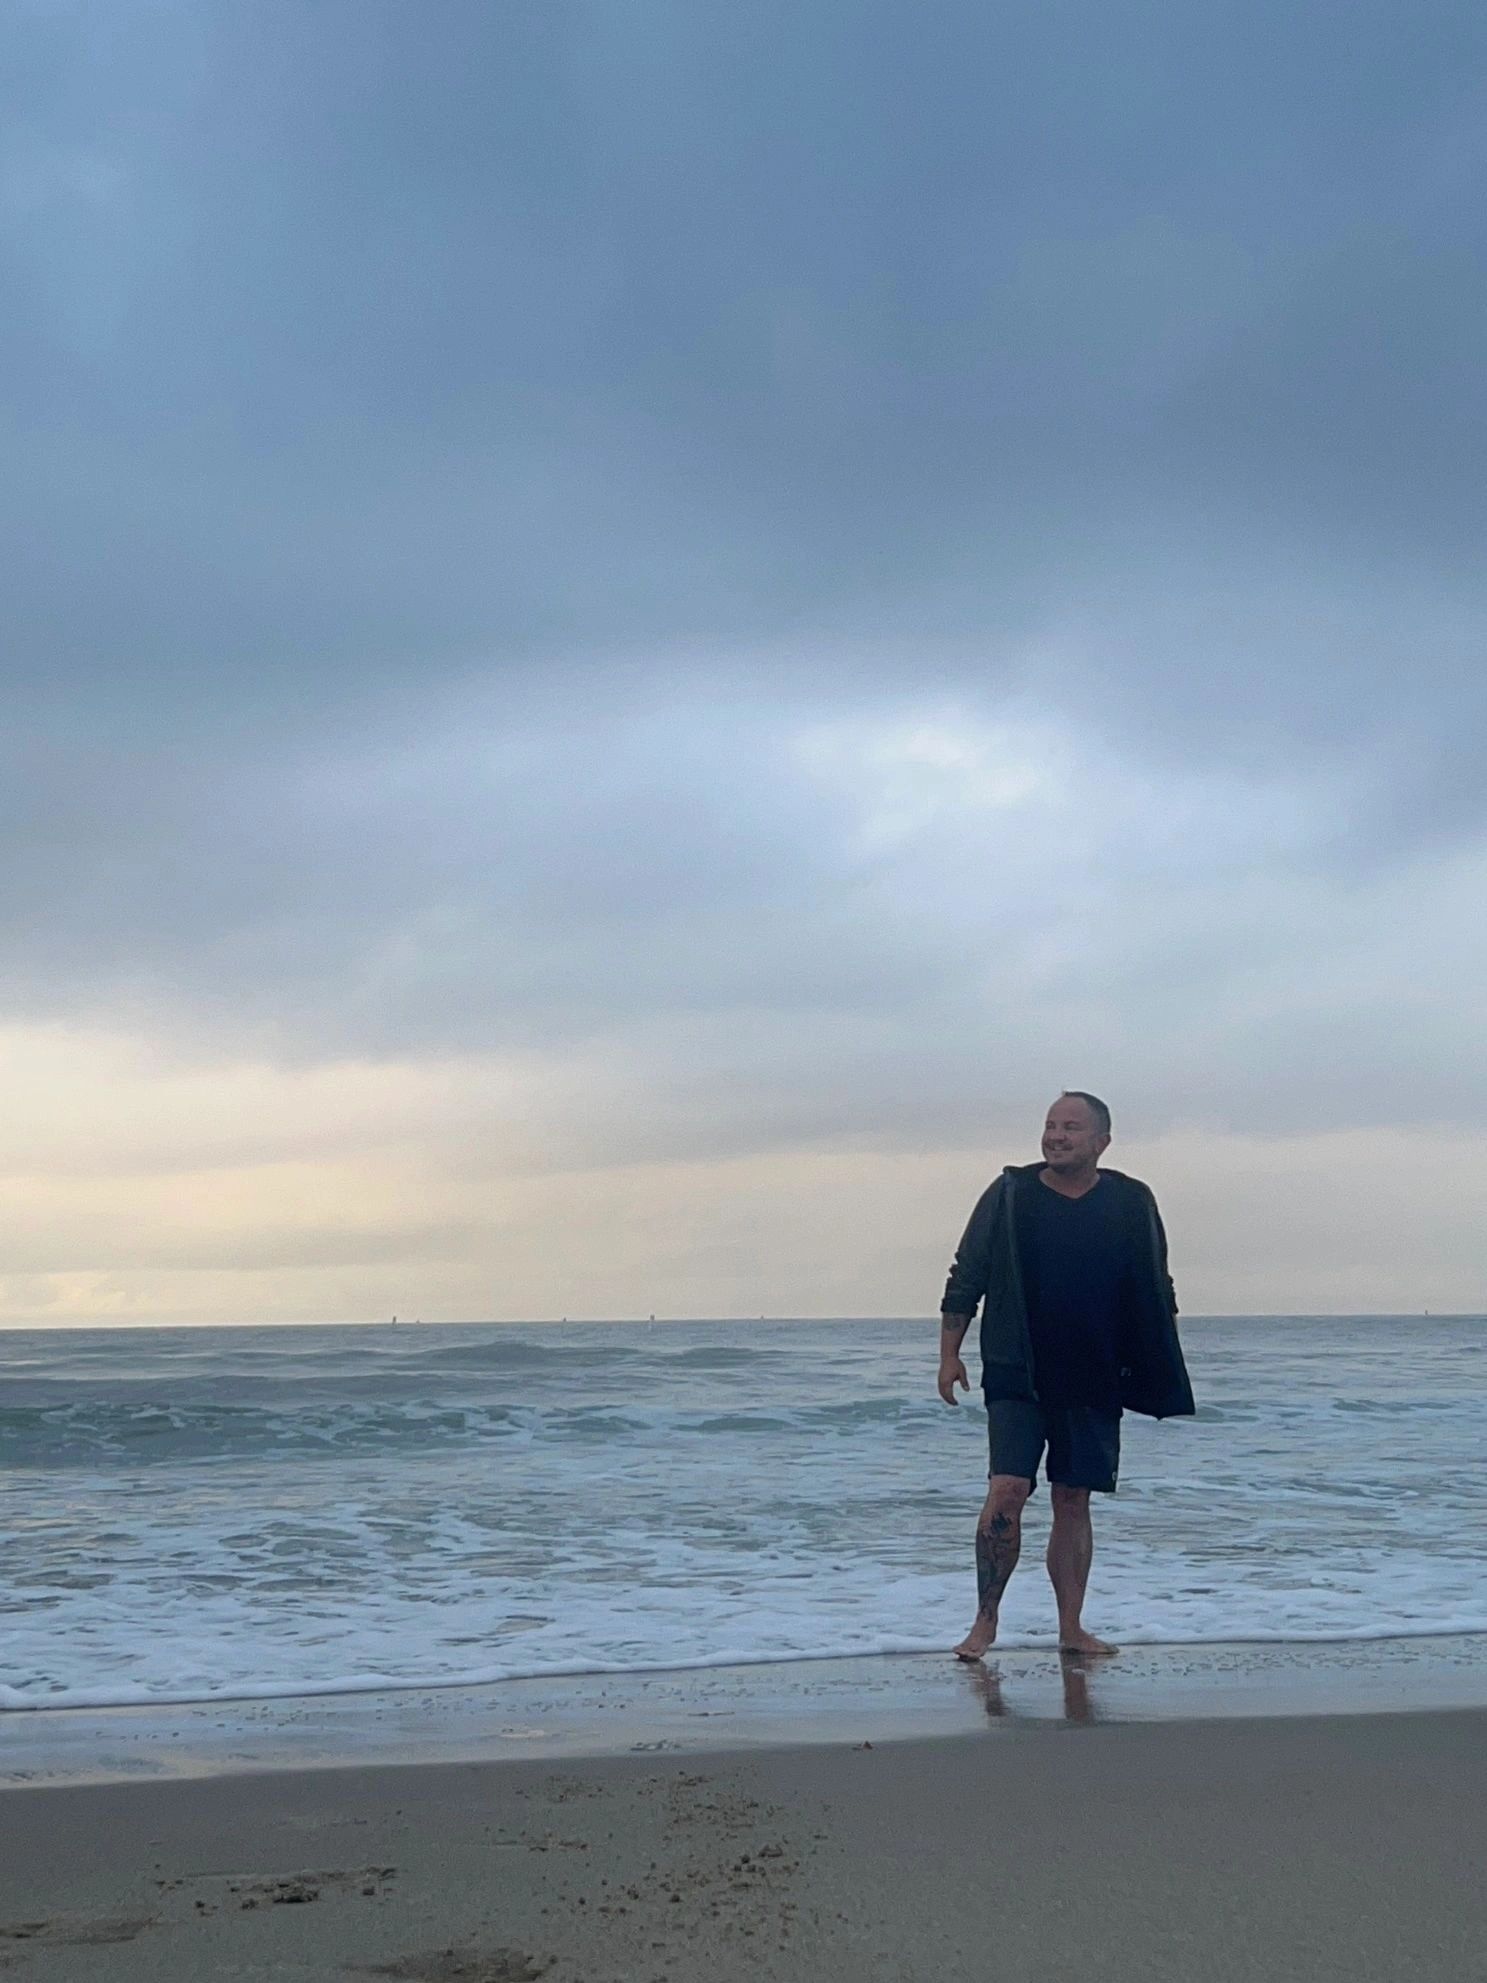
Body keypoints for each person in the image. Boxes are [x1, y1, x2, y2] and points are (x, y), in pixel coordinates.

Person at [936, 1091, 1193, 1659]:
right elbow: (967, 1273)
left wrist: (1158, 1363)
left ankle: (1071, 1628)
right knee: (1008, 1490)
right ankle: (984, 1623)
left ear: (1101, 1141)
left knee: (1073, 1500)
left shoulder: (1131, 1200)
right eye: (1051, 1125)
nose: (1056, 1135)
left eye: (1071, 1127)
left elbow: (1157, 1284)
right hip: (1016, 1370)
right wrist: (949, 1354)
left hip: (1096, 1374)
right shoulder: (1009, 1194)